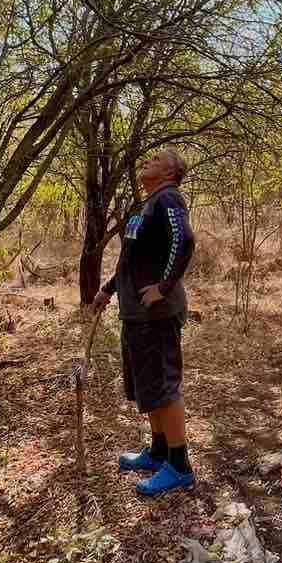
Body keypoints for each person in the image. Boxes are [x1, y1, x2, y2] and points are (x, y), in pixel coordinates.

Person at [92, 148, 196, 496]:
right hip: (135, 314)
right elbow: (129, 258)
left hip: (157, 316)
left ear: (170, 172)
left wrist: (163, 288)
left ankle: (179, 466)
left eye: (155, 160)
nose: (146, 162)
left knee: (164, 387)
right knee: (147, 386)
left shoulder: (169, 200)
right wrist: (108, 289)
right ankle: (158, 452)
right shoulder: (148, 205)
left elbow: (184, 242)